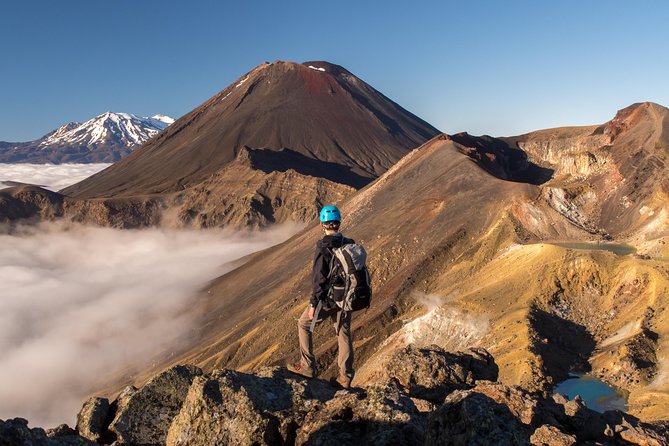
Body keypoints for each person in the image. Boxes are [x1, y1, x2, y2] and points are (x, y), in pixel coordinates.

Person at [288, 205, 355, 388]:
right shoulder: (349, 242)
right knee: (343, 333)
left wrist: (313, 304)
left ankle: (307, 366)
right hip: (346, 297)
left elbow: (319, 278)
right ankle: (346, 377)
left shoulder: (323, 246)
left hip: (329, 299)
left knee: (304, 324)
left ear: (322, 224)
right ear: (339, 222)